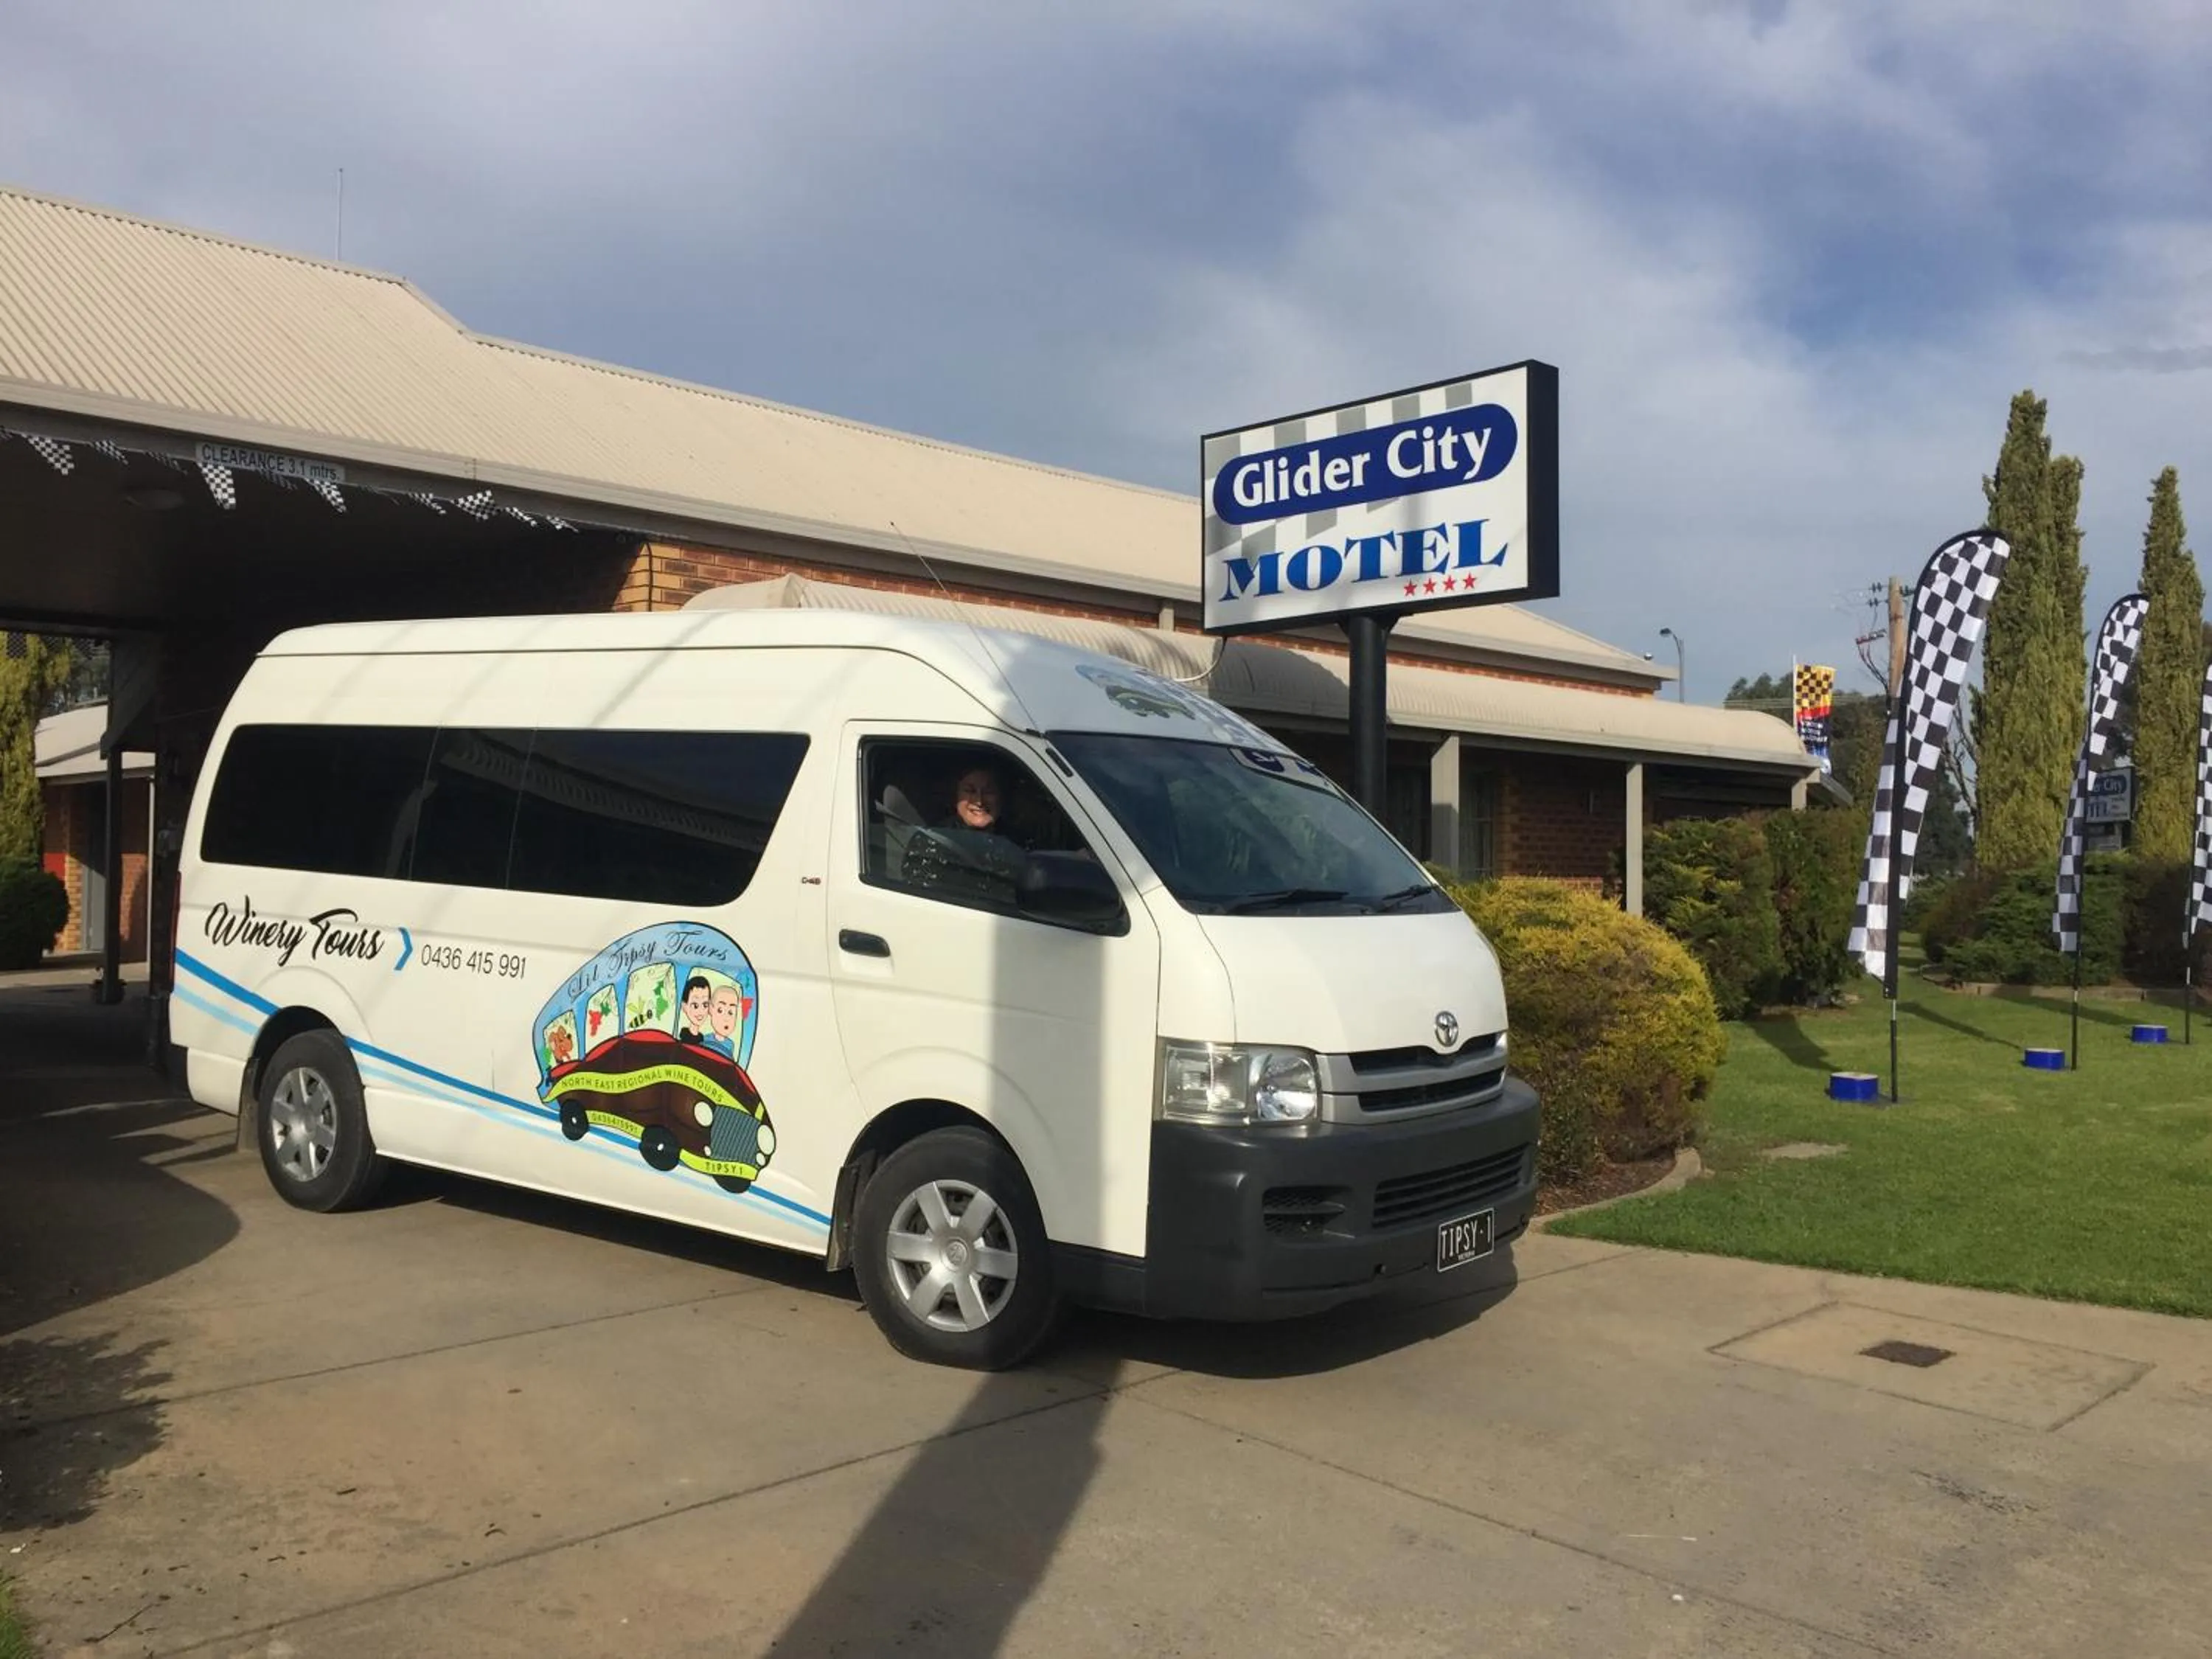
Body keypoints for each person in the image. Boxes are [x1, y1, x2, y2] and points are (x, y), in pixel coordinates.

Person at [900, 762, 1029, 904]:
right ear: (956, 796)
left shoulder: (1017, 842)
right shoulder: (930, 842)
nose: (979, 801)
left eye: (989, 792)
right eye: (970, 791)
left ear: (1001, 797)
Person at [676, 974, 714, 1046]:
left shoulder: (705, 1041)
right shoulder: (683, 1041)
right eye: (695, 1006)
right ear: (684, 1006)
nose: (701, 1011)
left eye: (705, 1005)